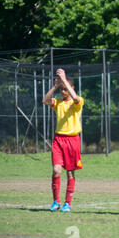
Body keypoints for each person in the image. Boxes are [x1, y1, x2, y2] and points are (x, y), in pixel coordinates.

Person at [43, 69, 84, 213]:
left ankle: (68, 203)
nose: (63, 92)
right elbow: (45, 100)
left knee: (70, 173)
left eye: (66, 89)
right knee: (56, 170)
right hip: (59, 140)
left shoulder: (77, 101)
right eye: (62, 89)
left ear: (72, 89)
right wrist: (55, 85)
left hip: (73, 140)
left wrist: (65, 80)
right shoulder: (58, 103)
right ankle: (56, 201)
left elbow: (76, 99)